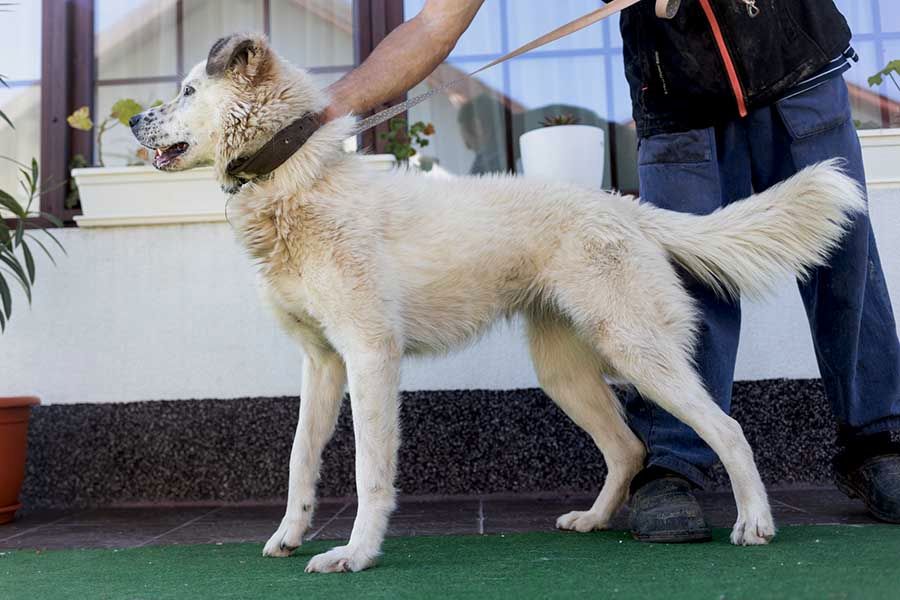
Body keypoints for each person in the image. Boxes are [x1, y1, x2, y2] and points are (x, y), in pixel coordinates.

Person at [322, 0, 900, 541]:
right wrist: (326, 108)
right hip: (675, 93)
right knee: (687, 282)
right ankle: (672, 465)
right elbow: (431, 24)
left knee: (845, 260)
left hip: (796, 57)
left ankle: (879, 441)